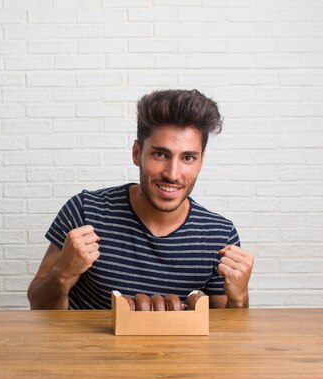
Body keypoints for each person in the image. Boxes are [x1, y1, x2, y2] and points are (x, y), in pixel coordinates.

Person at [28, 89, 254, 310]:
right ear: (137, 153)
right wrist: (63, 273)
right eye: (160, 154)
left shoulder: (219, 235)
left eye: (187, 157)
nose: (173, 174)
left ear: (201, 160)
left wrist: (240, 298)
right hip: (88, 348)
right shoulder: (85, 212)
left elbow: (224, 335)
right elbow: (39, 307)